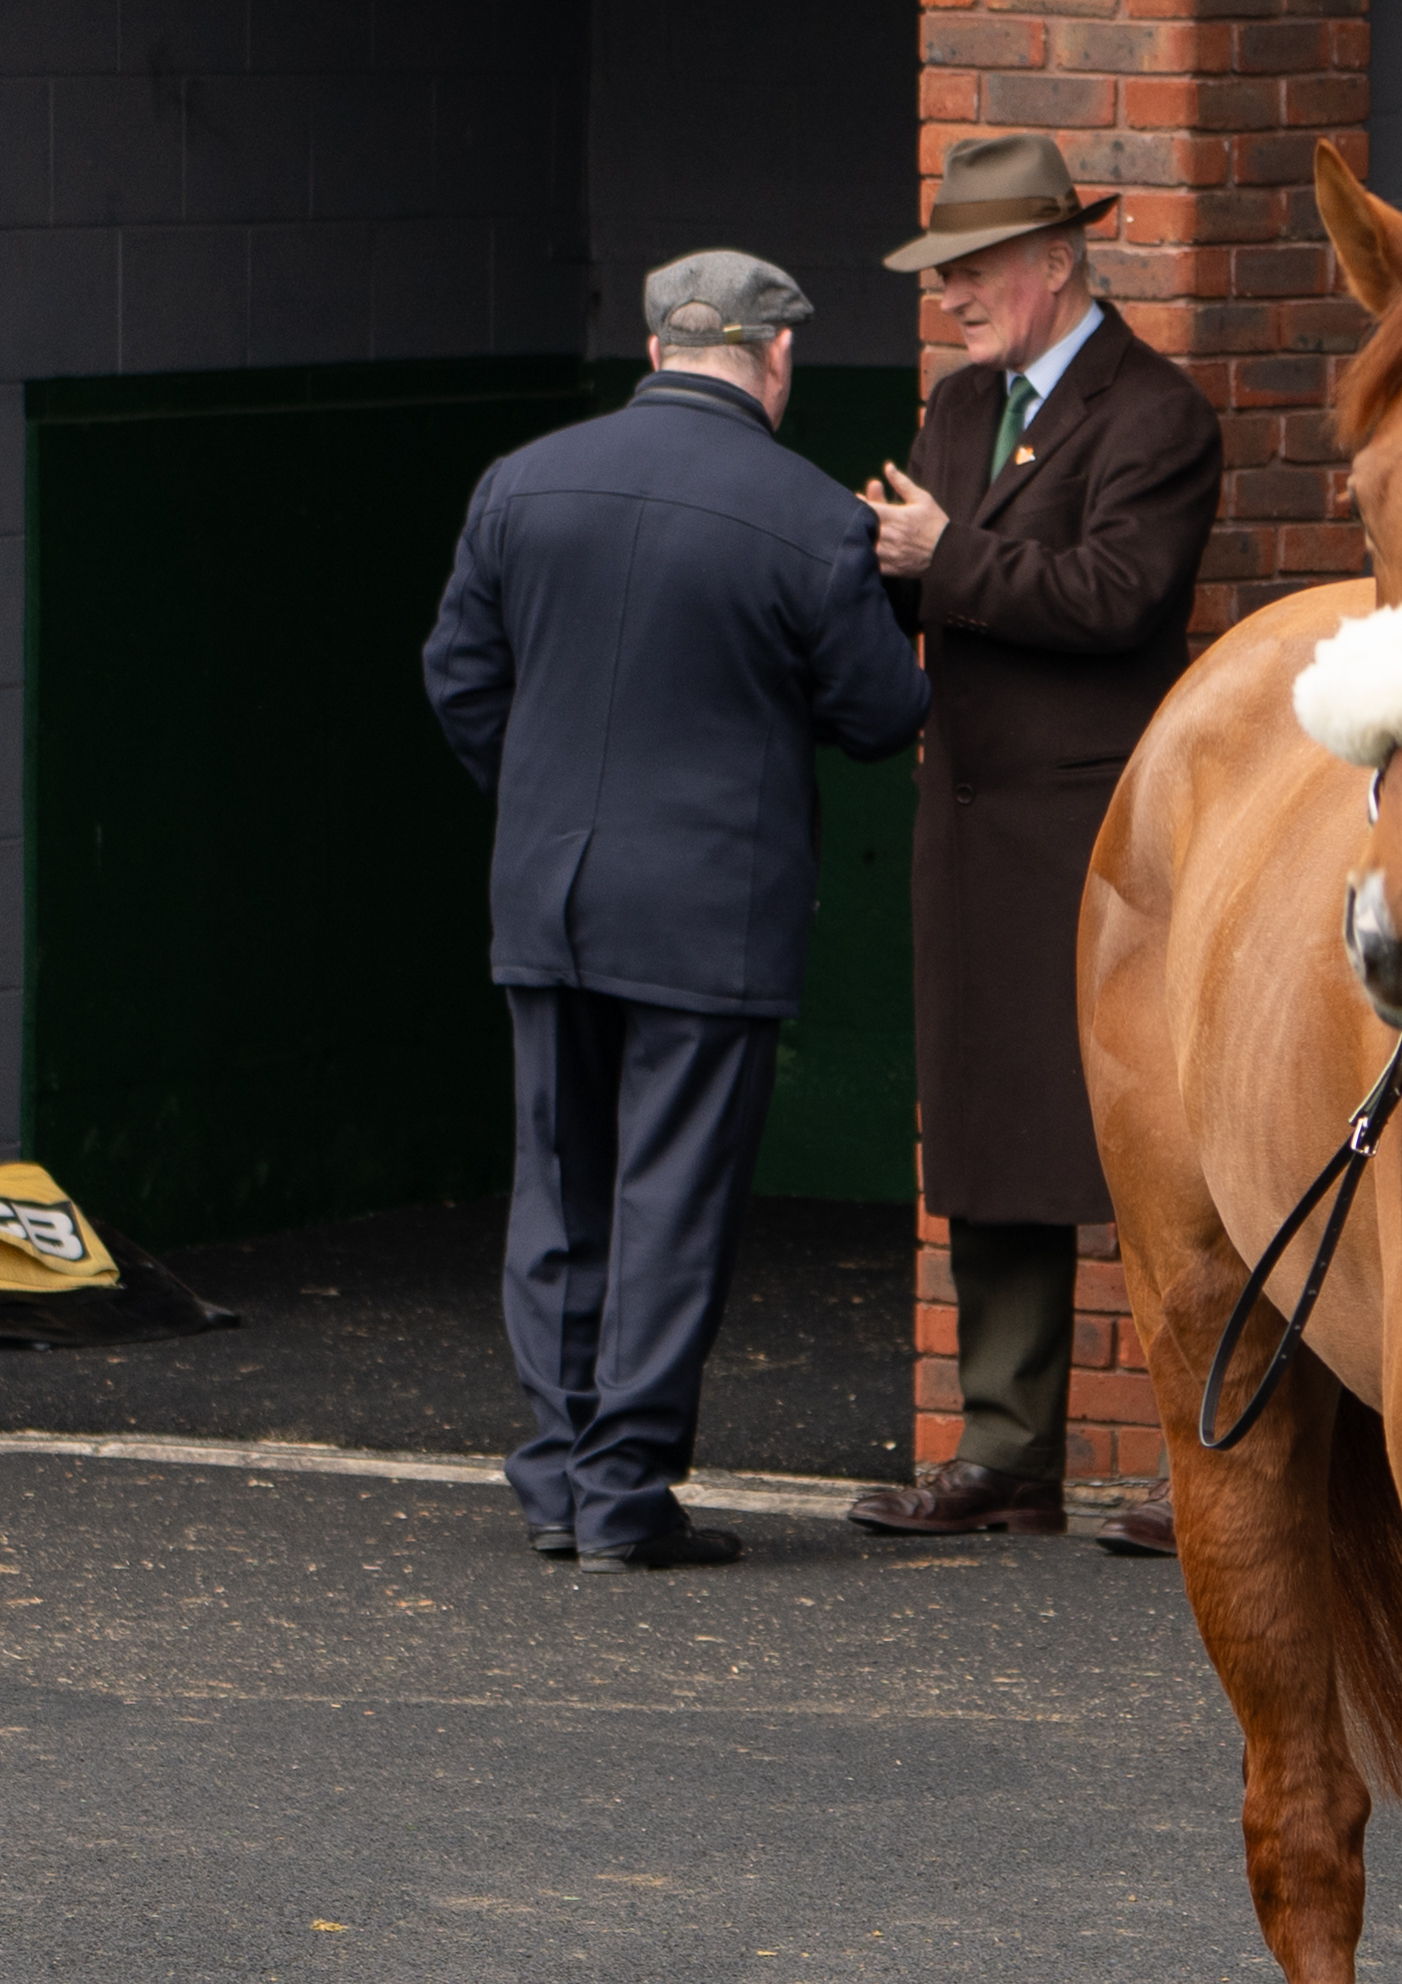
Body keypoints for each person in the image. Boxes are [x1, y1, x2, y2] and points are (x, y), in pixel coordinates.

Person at [424, 251, 932, 1574]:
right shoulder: (810, 515)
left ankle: (554, 1479)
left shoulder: (518, 485)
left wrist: (537, 799)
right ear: (774, 363)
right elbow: (883, 715)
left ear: (654, 352)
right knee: (669, 1199)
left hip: (549, 893)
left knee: (556, 1189)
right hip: (712, 910)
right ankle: (627, 1492)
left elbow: (459, 679)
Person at [842, 134, 1222, 1555]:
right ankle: (1005, 1457)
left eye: (974, 271)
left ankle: (1212, 1459)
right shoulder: (959, 406)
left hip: (1098, 843)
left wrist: (944, 559)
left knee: (1152, 1153)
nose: (951, 297)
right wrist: (864, 570)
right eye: (944, 276)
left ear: (1055, 261)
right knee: (996, 1139)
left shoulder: (1158, 414)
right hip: (970, 829)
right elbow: (926, 577)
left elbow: (1119, 596)